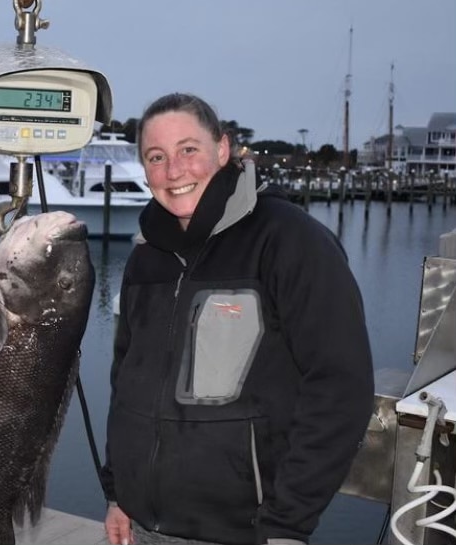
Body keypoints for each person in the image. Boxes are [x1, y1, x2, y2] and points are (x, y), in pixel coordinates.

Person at [100, 93, 374, 545]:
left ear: (223, 149)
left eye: (189, 149)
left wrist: (288, 525)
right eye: (156, 156)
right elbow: (125, 381)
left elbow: (341, 389)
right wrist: (117, 493)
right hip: (141, 528)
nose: (174, 170)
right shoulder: (145, 259)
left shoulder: (290, 241)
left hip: (248, 534)